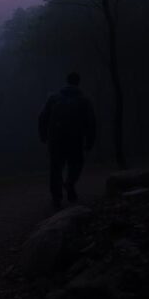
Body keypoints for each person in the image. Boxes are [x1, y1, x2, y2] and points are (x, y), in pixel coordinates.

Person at [38, 72, 96, 209]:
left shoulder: (53, 98)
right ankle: (69, 183)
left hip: (56, 139)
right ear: (78, 83)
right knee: (76, 164)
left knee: (56, 167)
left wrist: (43, 135)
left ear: (66, 82)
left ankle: (56, 198)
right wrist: (90, 141)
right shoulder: (84, 100)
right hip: (75, 139)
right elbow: (91, 122)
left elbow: (42, 117)